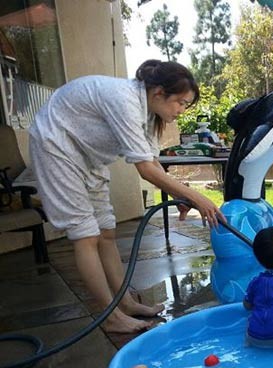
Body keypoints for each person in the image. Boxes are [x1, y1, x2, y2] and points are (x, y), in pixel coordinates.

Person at [29, 60, 224, 333]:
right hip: (56, 146)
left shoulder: (149, 114)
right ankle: (110, 317)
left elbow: (152, 163)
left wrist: (183, 197)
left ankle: (126, 303)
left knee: (106, 231)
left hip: (88, 157)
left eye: (185, 104)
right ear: (158, 93)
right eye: (179, 102)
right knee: (86, 235)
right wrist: (198, 198)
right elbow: (145, 170)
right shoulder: (125, 100)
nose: (181, 110)